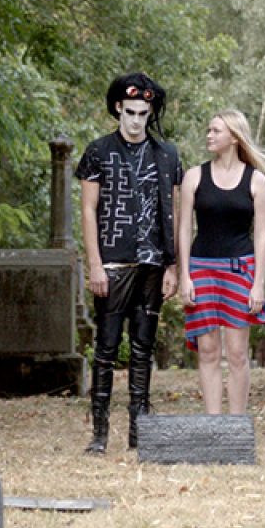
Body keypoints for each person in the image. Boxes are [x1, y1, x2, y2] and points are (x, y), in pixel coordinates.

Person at [75, 72, 182, 455]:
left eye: (143, 112)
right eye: (131, 112)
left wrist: (174, 266)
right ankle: (100, 432)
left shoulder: (167, 155)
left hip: (153, 262)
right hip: (114, 260)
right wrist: (95, 264)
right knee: (105, 347)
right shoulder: (98, 151)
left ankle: (140, 430)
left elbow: (175, 211)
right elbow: (88, 210)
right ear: (119, 108)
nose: (137, 120)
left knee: (143, 347)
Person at [178, 110, 265, 415]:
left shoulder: (256, 181)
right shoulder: (194, 177)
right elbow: (184, 229)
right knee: (208, 351)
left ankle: (237, 424)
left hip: (240, 269)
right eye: (208, 130)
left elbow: (262, 236)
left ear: (234, 137)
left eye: (215, 131)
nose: (209, 135)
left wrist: (258, 284)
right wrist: (185, 275)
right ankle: (214, 424)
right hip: (201, 268)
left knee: (237, 353)